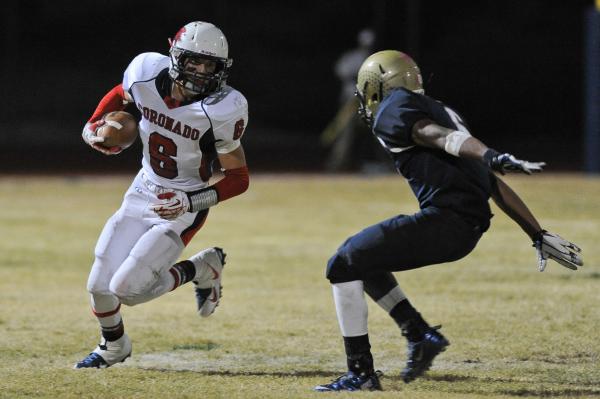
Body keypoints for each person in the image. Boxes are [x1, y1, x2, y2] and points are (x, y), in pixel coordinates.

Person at [315, 50, 583, 391]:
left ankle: (361, 373)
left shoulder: (395, 109)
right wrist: (537, 233)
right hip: (463, 227)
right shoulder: (444, 110)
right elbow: (493, 183)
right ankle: (420, 335)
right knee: (363, 259)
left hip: (445, 221)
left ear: (377, 86)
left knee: (341, 263)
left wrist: (490, 154)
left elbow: (434, 135)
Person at [75, 21, 250, 369]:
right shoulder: (144, 72)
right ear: (175, 57)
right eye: (193, 63)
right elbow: (122, 93)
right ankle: (114, 347)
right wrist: (94, 124)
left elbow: (239, 178)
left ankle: (200, 268)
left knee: (128, 289)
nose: (201, 72)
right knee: (98, 285)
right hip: (143, 189)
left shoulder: (221, 109)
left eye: (210, 66)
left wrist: (190, 202)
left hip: (183, 204)